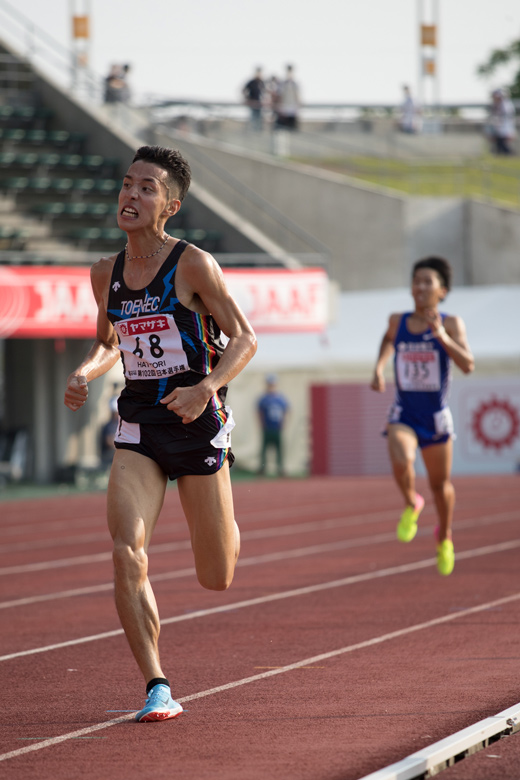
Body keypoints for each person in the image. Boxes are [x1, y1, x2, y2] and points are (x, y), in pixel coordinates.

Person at [64, 145, 257, 722]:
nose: (131, 194)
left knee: (215, 575)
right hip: (139, 423)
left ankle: (227, 518)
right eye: (127, 183)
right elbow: (110, 340)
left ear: (169, 205)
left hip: (196, 424)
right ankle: (157, 684)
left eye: (147, 187)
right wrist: (84, 371)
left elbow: (245, 339)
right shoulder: (106, 273)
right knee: (127, 552)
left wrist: (207, 388)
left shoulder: (194, 264)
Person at [370, 257, 474, 576]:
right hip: (405, 412)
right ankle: (411, 502)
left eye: (428, 281)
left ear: (442, 291)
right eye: (416, 280)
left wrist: (440, 335)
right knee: (401, 458)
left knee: (440, 485)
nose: (420, 287)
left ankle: (444, 534)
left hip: (436, 417)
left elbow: (468, 365)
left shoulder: (452, 323)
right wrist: (379, 366)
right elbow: (389, 340)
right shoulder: (396, 320)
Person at [257, 374, 289, 476]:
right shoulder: (264, 398)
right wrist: (262, 424)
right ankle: (263, 468)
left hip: (277, 428)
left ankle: (280, 468)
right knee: (264, 450)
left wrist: (283, 423)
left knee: (279, 449)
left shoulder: (280, 398)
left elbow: (286, 411)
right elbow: (259, 412)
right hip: (267, 427)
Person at [488, 88, 516, 155]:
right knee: (499, 142)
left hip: (504, 126)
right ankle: (500, 153)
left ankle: (508, 154)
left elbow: (506, 117)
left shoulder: (506, 105)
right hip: (498, 126)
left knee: (503, 142)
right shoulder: (495, 105)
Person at [276, 65, 301, 130]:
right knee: (284, 126)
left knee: (292, 126)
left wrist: (298, 105)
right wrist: (280, 107)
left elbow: (297, 96)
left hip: (292, 107)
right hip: (285, 108)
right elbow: (280, 96)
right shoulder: (283, 84)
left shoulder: (295, 84)